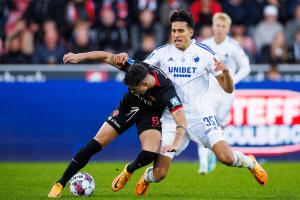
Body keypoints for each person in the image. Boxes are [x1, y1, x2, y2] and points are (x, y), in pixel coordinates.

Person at [112, 10, 267, 196]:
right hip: (172, 118)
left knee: (225, 157)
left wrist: (226, 74)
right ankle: (146, 177)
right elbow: (139, 69)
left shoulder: (205, 54)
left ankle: (250, 162)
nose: (176, 35)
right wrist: (124, 58)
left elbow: (228, 89)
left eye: (180, 31)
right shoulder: (162, 53)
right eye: (173, 31)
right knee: (160, 174)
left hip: (201, 115)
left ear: (191, 32)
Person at [47, 50, 188, 198]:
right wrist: (79, 56)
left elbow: (181, 119)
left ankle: (129, 170)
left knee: (150, 153)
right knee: (95, 144)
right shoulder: (135, 67)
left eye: (134, 89)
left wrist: (176, 143)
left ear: (145, 85)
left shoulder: (167, 91)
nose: (131, 90)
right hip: (128, 107)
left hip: (149, 116)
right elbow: (105, 56)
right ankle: (60, 183)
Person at [197, 12, 251, 174]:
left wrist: (233, 79)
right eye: (217, 25)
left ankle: (214, 154)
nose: (220, 29)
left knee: (220, 127)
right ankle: (203, 165)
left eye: (223, 26)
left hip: (226, 93)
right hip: (209, 93)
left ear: (228, 28)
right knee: (207, 125)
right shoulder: (204, 45)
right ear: (213, 27)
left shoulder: (233, 46)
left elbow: (246, 66)